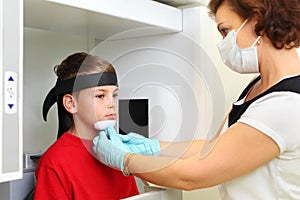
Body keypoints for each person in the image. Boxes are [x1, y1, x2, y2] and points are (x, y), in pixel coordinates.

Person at [92, 0, 300, 199]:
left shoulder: (285, 105)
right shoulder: (258, 86)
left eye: (225, 30)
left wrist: (125, 160)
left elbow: (191, 176)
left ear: (257, 22)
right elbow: (213, 147)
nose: (223, 42)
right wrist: (153, 147)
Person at [34, 52, 139, 199]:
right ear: (71, 104)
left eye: (114, 95)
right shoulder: (55, 163)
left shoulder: (117, 152)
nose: (112, 104)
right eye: (100, 96)